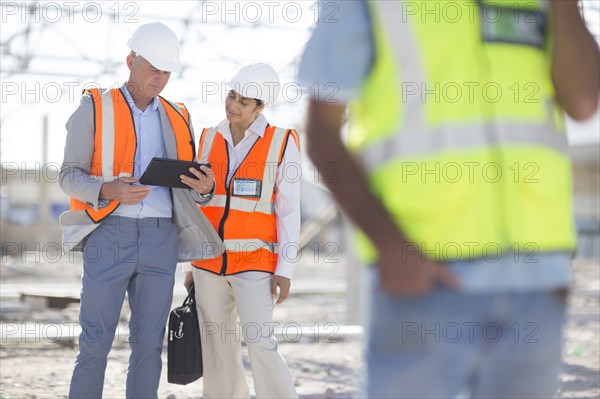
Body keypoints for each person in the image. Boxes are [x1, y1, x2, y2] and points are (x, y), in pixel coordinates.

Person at [298, 1, 599, 398]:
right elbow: (322, 134)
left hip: (537, 282)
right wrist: (391, 248)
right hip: (425, 279)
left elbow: (583, 103)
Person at [59, 22, 221, 399]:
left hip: (161, 239)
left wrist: (204, 188)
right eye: (154, 69)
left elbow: (191, 190)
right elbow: (68, 176)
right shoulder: (94, 107)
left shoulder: (179, 114)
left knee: (149, 347)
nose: (161, 78)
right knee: (94, 343)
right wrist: (106, 188)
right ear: (130, 61)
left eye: (167, 71)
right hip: (109, 234)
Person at [182, 62, 300, 399]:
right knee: (218, 349)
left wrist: (285, 269)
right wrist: (191, 263)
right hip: (209, 264)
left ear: (261, 106)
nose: (233, 105)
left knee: (261, 342)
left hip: (255, 264)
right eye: (231, 95)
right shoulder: (207, 138)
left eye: (244, 101)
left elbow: (289, 211)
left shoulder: (281, 142)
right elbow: (198, 205)